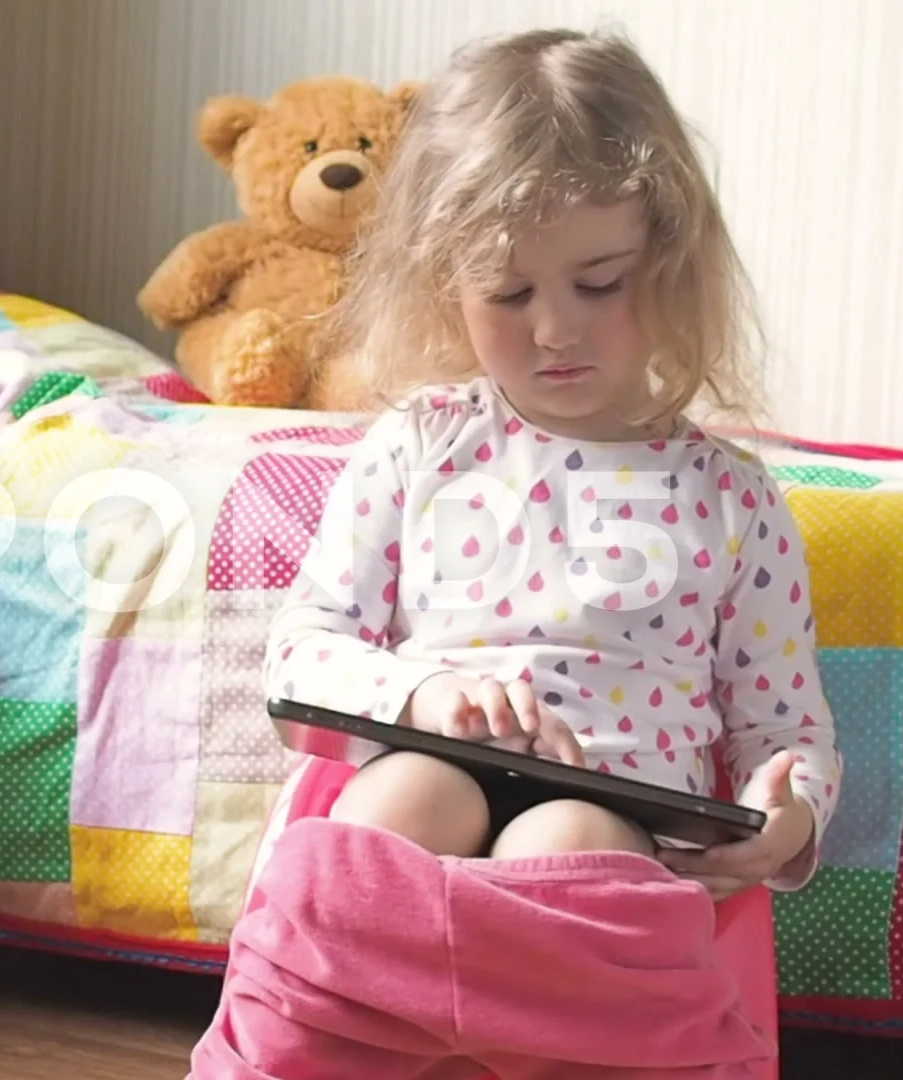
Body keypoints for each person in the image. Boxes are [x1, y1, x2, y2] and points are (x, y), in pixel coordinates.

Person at [191, 26, 843, 1078]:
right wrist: (427, 695)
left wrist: (791, 815)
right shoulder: (422, 444)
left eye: (599, 283)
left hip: (619, 822)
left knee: (562, 846)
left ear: (667, 260)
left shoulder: (728, 495)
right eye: (508, 294)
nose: (554, 330)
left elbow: (782, 721)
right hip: (434, 765)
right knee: (403, 803)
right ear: (444, 278)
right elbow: (300, 653)